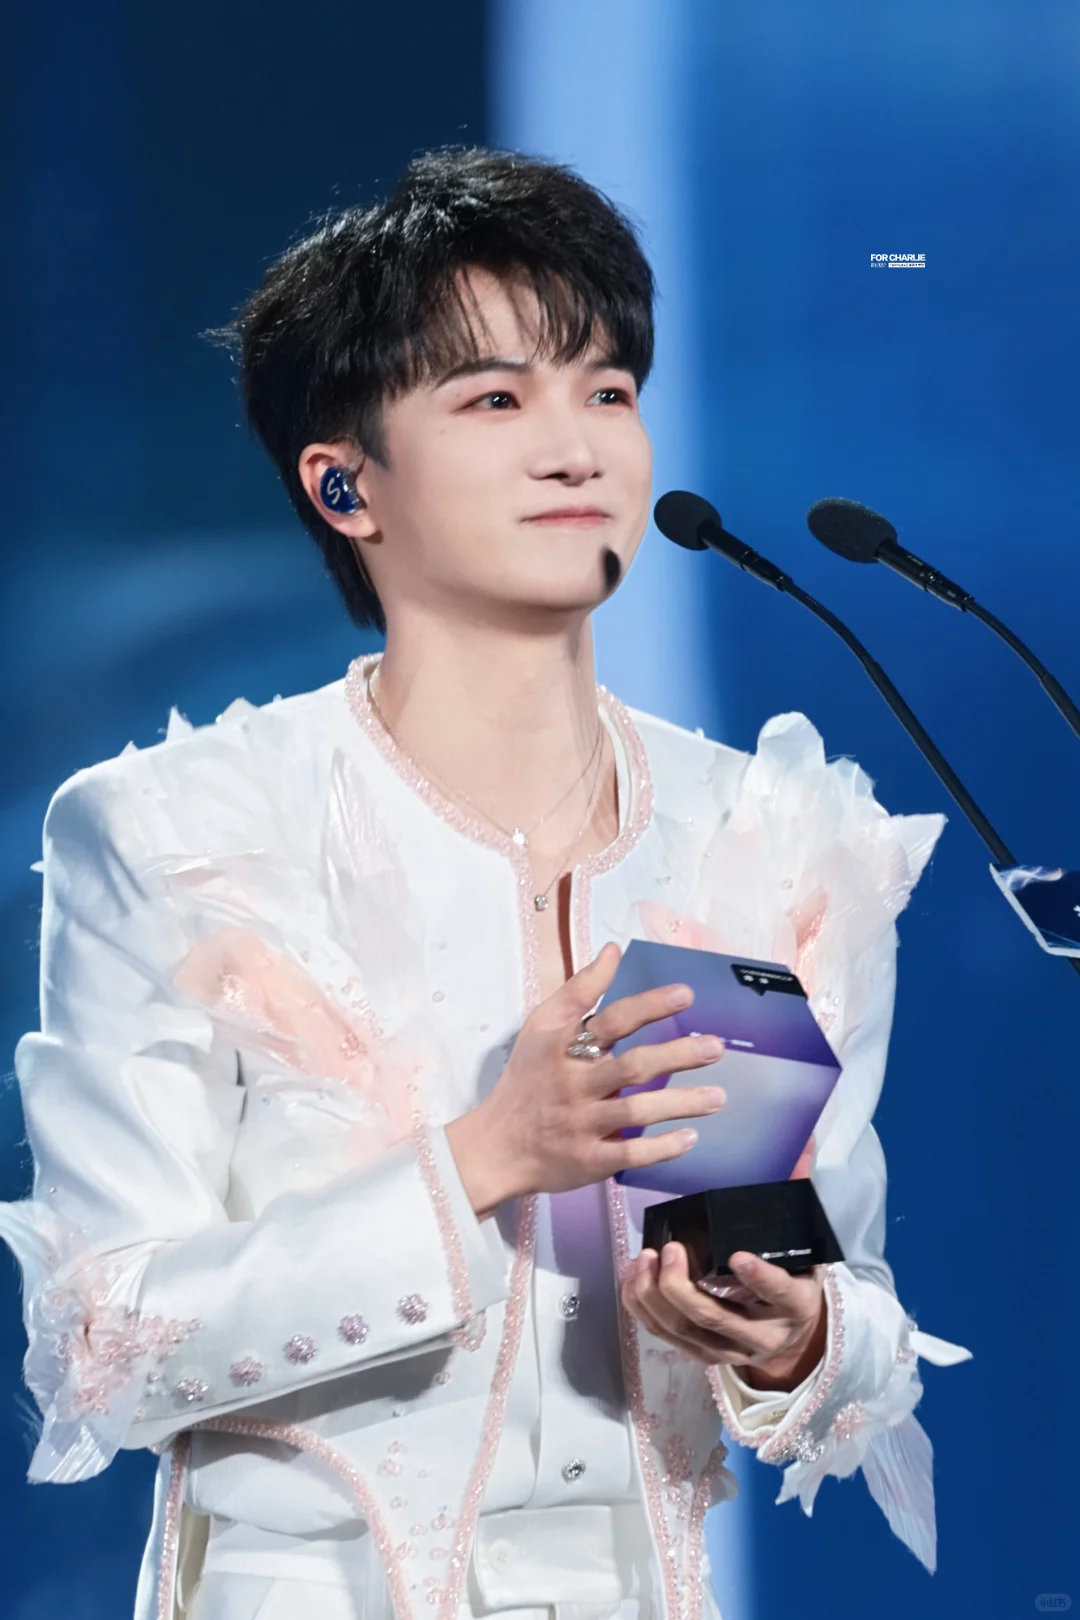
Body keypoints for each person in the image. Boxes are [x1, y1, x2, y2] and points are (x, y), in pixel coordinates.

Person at [0, 146, 971, 1620]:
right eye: (497, 400)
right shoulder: (173, 832)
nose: (578, 449)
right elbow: (101, 1349)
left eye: (609, 391)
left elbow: (861, 1315)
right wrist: (482, 1161)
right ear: (345, 483)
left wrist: (794, 1340)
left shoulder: (768, 834)